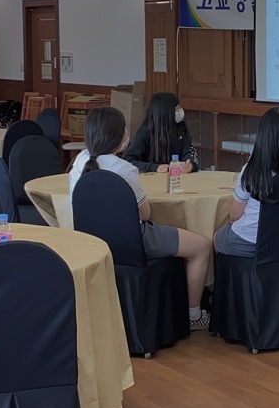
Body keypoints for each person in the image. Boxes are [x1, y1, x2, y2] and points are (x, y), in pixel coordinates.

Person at [70, 107, 212, 329]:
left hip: (90, 240)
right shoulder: (125, 169)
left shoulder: (79, 162)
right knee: (201, 247)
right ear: (119, 136)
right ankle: (194, 315)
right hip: (131, 241)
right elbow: (144, 214)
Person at [214, 106, 279, 258]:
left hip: (252, 242)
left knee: (218, 236)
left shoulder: (253, 170)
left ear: (262, 136)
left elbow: (235, 215)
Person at [124, 92, 198, 174]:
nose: (180, 111)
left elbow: (188, 150)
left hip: (177, 176)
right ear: (166, 112)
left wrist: (190, 164)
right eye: (177, 109)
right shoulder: (145, 132)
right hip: (152, 177)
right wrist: (155, 167)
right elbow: (128, 160)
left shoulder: (181, 128)